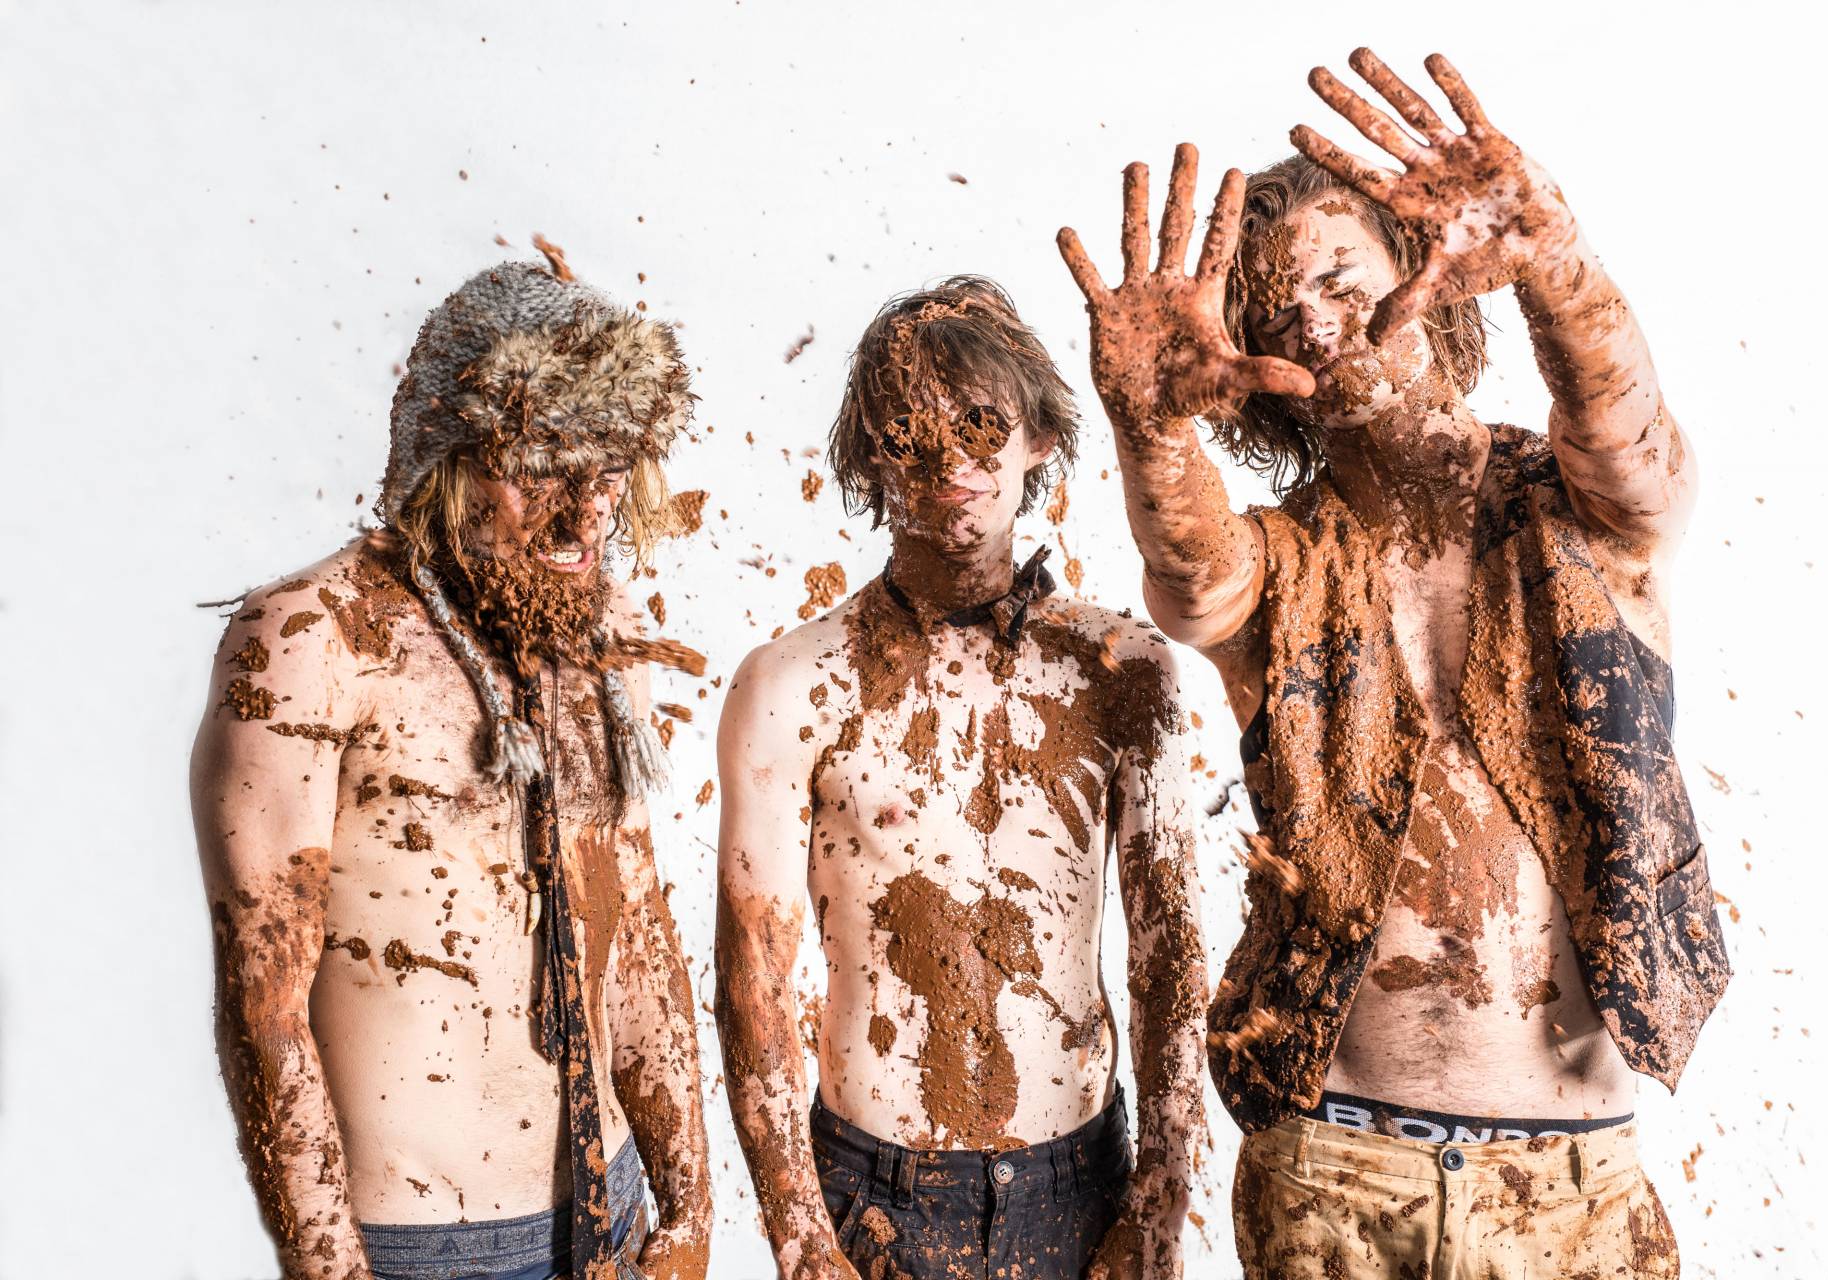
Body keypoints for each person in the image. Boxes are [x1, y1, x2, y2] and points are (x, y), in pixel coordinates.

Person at [1057, 49, 1730, 1279]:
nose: (1315, 320)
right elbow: (1194, 579)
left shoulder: (1582, 512)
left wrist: (1556, 256)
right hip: (1334, 1175)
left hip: (1576, 1186)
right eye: (1280, 315)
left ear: (1428, 273)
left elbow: (1637, 454)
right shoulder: (1282, 559)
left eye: (1338, 277)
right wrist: (1149, 424)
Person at [189, 257, 713, 1280]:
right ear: (446, 459)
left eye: (607, 466)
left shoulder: (600, 625)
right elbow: (265, 1007)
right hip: (426, 1247)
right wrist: (330, 1266)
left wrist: (689, 1209)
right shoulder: (311, 639)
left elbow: (639, 927)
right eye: (541, 467)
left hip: (616, 1211)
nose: (584, 514)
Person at [713, 277, 1208, 1279]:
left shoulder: (1123, 671)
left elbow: (1171, 953)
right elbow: (752, 976)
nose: (951, 460)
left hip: (1083, 1179)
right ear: (870, 454)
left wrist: (1162, 1198)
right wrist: (799, 1233)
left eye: (981, 422)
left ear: (1038, 438)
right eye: (909, 430)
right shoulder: (791, 683)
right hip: (872, 1190)